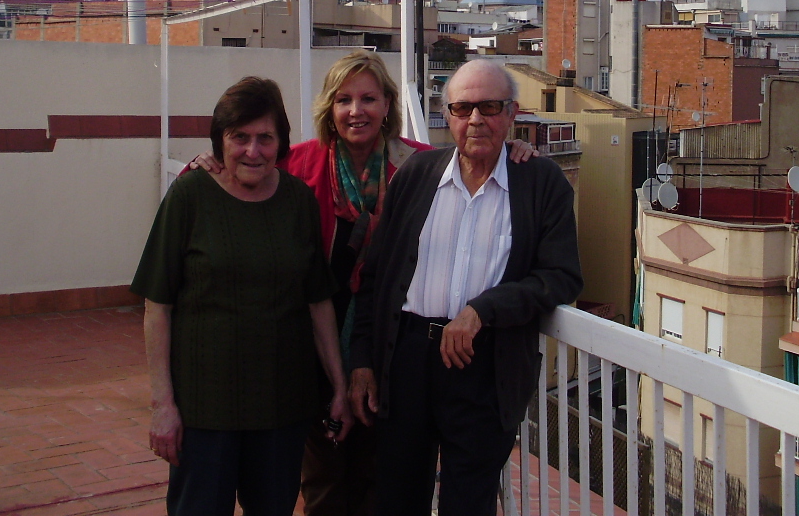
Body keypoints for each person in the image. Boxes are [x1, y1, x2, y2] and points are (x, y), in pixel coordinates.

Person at [188, 51, 535, 516]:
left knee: (380, 476)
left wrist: (518, 152)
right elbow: (247, 168)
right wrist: (211, 162)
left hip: (383, 346)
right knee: (324, 475)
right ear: (329, 109)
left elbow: (477, 156)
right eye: (344, 99)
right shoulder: (298, 164)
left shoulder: (416, 166)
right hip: (312, 345)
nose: (357, 111)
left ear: (388, 105)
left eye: (369, 98)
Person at [347, 59, 582, 516]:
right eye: (463, 108)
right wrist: (361, 362)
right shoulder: (416, 175)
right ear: (448, 115)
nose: (476, 119)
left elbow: (562, 276)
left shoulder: (539, 182)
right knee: (396, 496)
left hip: (485, 364)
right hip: (407, 360)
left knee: (468, 502)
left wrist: (483, 310)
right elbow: (375, 278)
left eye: (490, 107)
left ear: (512, 113)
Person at [132, 76, 352, 516]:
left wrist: (339, 386)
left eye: (265, 138)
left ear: (281, 143)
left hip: (282, 410)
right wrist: (163, 405)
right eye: (240, 137)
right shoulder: (191, 196)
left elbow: (318, 304)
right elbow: (158, 307)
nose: (253, 151)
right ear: (220, 141)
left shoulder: (297, 202)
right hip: (204, 413)